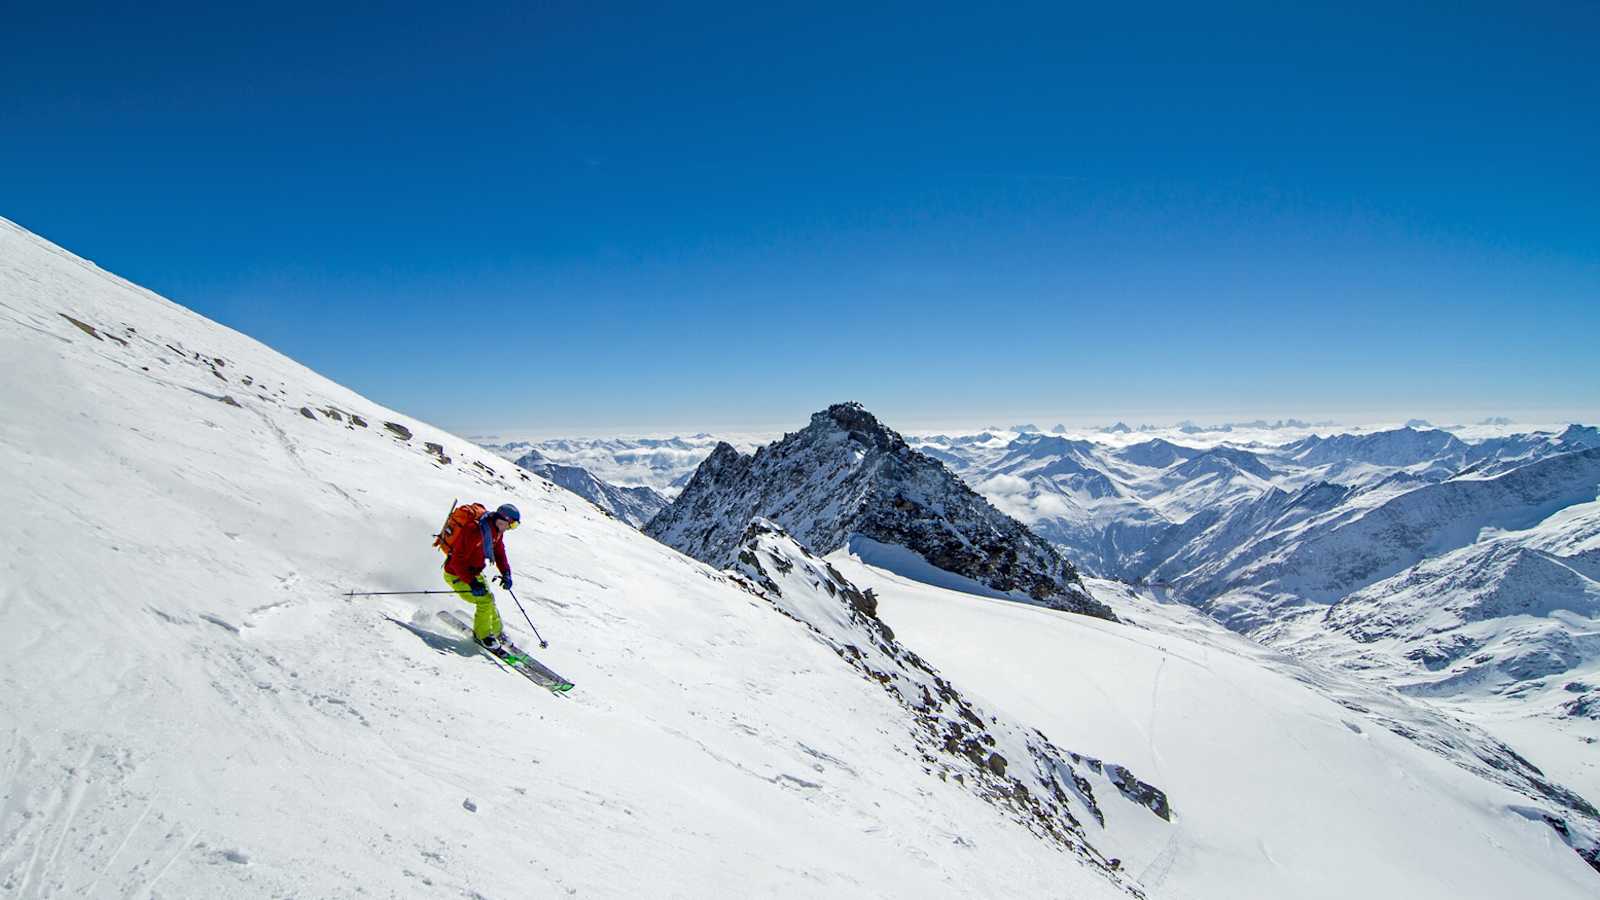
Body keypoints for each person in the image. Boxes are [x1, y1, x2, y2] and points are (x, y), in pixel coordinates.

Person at [440, 502, 521, 649]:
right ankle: (483, 635)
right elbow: (457, 561)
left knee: (490, 599)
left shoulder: (496, 531)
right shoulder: (474, 530)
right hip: (456, 574)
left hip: (474, 573)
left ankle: (497, 632)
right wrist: (471, 583)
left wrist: (506, 573)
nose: (509, 529)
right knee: (485, 601)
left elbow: (499, 552)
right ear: (503, 519)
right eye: (511, 525)